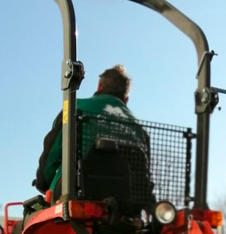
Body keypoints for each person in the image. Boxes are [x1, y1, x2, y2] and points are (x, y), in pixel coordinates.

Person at [35, 64, 148, 195]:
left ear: (99, 87)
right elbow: (143, 175)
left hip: (76, 191)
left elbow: (52, 151)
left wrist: (43, 183)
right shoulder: (140, 130)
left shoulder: (74, 107)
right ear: (126, 99)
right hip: (125, 198)